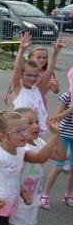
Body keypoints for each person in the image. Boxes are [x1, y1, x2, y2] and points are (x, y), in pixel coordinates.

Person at [1, 108, 52, 225]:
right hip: (18, 202)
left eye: (37, 121)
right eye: (29, 123)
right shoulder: (22, 148)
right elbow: (40, 158)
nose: (35, 125)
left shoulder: (39, 142)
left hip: (31, 200)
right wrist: (56, 135)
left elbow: (60, 156)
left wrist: (57, 134)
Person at [11, 33, 64, 136]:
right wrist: (21, 49)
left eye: (35, 76)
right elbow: (17, 69)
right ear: (21, 75)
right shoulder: (18, 90)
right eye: (28, 75)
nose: (32, 78)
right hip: (21, 134)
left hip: (36, 133)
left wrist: (55, 52)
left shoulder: (37, 90)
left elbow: (49, 71)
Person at [40, 66, 73, 209]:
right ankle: (45, 194)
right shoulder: (66, 97)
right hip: (63, 134)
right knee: (59, 167)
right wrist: (70, 110)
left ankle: (68, 195)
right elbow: (56, 117)